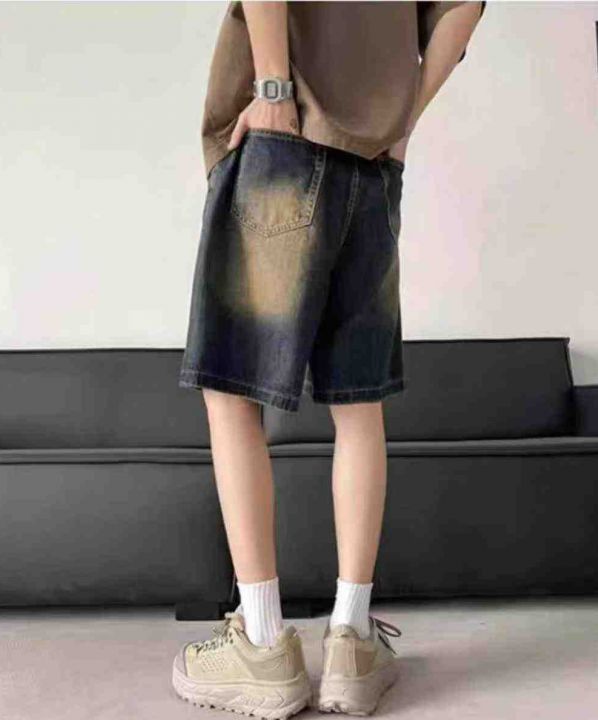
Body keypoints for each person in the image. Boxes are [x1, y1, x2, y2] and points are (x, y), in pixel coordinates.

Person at [173, 1, 484, 717]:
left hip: (284, 138)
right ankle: (351, 639)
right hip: (373, 164)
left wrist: (274, 87)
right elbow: (463, 7)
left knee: (232, 389)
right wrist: (401, 123)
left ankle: (261, 644)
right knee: (358, 400)